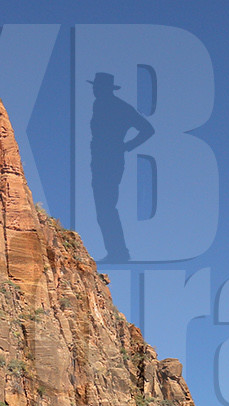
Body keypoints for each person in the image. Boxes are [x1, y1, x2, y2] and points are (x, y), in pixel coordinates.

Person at [88, 72, 154, 263]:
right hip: (99, 159)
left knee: (106, 206)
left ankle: (118, 252)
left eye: (97, 87)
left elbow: (148, 129)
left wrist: (127, 146)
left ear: (105, 88)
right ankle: (116, 251)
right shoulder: (98, 104)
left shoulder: (119, 107)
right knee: (103, 207)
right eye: (94, 86)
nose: (94, 90)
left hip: (110, 160)